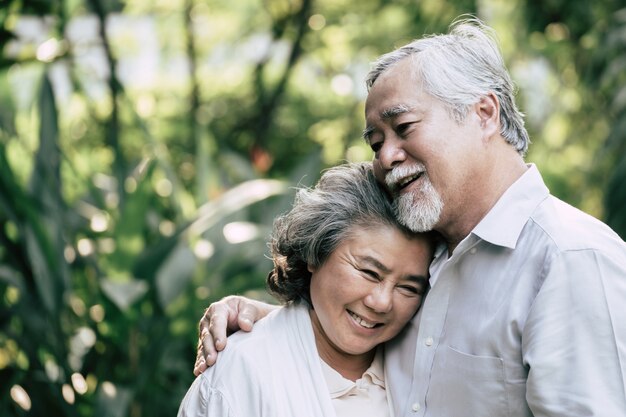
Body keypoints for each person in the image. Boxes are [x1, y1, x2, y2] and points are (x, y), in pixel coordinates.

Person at [195, 18, 626, 416]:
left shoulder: (570, 259)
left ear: (484, 114)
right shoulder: (427, 254)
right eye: (375, 142)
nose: (386, 156)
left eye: (403, 127)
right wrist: (272, 327)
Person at [179, 162, 436, 417]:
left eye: (408, 288)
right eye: (369, 273)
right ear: (315, 253)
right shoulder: (244, 370)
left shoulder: (424, 372)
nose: (381, 303)